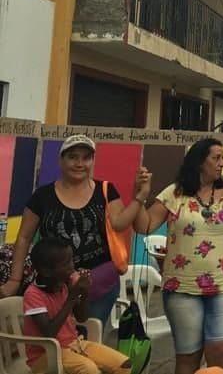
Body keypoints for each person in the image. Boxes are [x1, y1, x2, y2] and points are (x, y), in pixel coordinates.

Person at [135, 138, 223, 374]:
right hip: (182, 287)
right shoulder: (175, 193)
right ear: (199, 161)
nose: (221, 164)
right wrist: (140, 196)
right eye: (216, 158)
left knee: (222, 351)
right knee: (188, 356)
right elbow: (145, 226)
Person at [0, 135, 152, 326]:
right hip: (54, 286)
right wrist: (15, 279)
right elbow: (23, 237)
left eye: (86, 158)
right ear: (61, 160)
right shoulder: (42, 196)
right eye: (73, 157)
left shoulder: (104, 190)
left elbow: (119, 223)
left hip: (99, 282)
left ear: (92, 161)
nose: (79, 163)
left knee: (90, 335)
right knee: (55, 340)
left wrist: (139, 197)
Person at [22, 237, 131, 374]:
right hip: (45, 355)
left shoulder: (64, 284)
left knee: (123, 365)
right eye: (66, 264)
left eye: (71, 260)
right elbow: (49, 333)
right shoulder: (33, 294)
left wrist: (85, 292)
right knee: (89, 370)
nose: (71, 267)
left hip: (74, 344)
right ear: (46, 271)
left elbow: (82, 317)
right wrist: (72, 296)